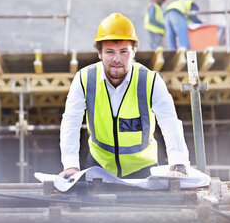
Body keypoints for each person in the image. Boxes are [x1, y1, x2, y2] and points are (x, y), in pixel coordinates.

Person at [58, 13, 190, 179]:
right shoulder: (84, 79)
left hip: (143, 167)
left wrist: (178, 163)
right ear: (99, 53)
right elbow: (71, 121)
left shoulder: (150, 80)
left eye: (123, 51)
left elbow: (169, 121)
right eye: (110, 52)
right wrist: (71, 165)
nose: (117, 59)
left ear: (134, 51)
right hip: (99, 165)